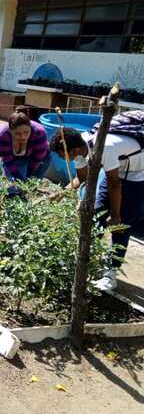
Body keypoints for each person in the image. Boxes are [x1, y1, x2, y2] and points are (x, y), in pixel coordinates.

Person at [49, 121, 144, 291]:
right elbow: (83, 178)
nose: (62, 158)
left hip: (137, 175)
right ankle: (81, 262)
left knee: (121, 226)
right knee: (93, 216)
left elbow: (115, 185)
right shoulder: (80, 147)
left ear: (73, 151)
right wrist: (62, 193)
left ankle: (111, 274)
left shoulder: (105, 147)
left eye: (62, 155)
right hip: (118, 168)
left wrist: (115, 215)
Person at [0, 111, 50, 182]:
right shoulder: (3, 136)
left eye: (26, 132)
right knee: (9, 188)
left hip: (34, 157)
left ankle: (33, 186)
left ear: (30, 127)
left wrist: (28, 175)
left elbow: (37, 159)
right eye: (17, 134)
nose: (23, 137)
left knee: (30, 180)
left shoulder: (39, 133)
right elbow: (7, 161)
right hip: (14, 158)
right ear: (11, 131)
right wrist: (18, 177)